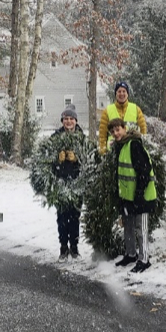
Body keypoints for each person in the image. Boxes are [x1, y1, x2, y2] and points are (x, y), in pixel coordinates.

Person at [109, 119, 155, 274]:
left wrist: (139, 194)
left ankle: (144, 259)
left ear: (124, 129)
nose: (115, 134)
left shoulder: (134, 145)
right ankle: (131, 254)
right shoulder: (121, 147)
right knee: (127, 226)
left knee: (141, 228)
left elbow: (144, 170)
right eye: (113, 131)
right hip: (127, 197)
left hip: (141, 196)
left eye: (118, 130)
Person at [51, 106, 89, 260]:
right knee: (62, 216)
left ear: (76, 121)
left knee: (74, 216)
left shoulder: (82, 138)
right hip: (60, 183)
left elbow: (88, 160)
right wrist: (57, 160)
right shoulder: (55, 138)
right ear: (62, 121)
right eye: (66, 119)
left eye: (71, 119)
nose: (68, 121)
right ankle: (63, 248)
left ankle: (74, 247)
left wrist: (77, 159)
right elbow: (46, 160)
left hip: (76, 183)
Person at [98, 80, 147, 153]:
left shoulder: (136, 109)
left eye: (124, 91)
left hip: (131, 149)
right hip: (112, 150)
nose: (121, 94)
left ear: (127, 94)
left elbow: (143, 131)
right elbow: (102, 134)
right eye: (119, 91)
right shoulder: (107, 111)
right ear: (116, 94)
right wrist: (103, 151)